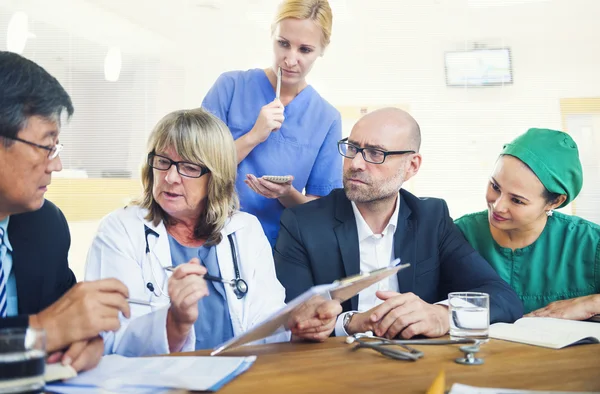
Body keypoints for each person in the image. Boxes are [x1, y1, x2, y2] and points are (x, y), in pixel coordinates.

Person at [85, 108, 340, 355]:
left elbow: (267, 322)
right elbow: (108, 338)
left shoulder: (245, 229)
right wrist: (175, 323)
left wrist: (298, 324)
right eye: (163, 162)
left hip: (240, 377)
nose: (171, 177)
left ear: (216, 176)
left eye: (189, 167)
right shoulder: (121, 230)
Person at [275, 108, 523, 340]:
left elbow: (503, 298)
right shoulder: (303, 224)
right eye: (352, 148)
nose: (355, 164)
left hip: (415, 361)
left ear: (412, 166)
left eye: (375, 153)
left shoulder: (431, 218)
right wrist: (350, 322)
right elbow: (287, 323)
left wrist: (442, 315)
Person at [0, 51, 130, 372]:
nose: (56, 165)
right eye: (47, 146)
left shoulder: (45, 225)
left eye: (58, 148)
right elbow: (50, 327)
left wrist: (84, 340)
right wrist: (43, 332)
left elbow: (66, 322)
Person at [202, 0, 342, 246]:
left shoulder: (326, 118)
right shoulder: (230, 87)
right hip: (214, 237)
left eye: (305, 50)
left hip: (280, 248)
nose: (290, 59)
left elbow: (322, 209)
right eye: (283, 43)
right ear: (272, 34)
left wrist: (287, 195)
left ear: (322, 49)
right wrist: (254, 135)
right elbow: (194, 167)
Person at [455, 128, 600, 319]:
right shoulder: (457, 235)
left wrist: (592, 303)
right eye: (495, 187)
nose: (498, 207)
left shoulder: (590, 243)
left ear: (555, 202)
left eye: (517, 200)